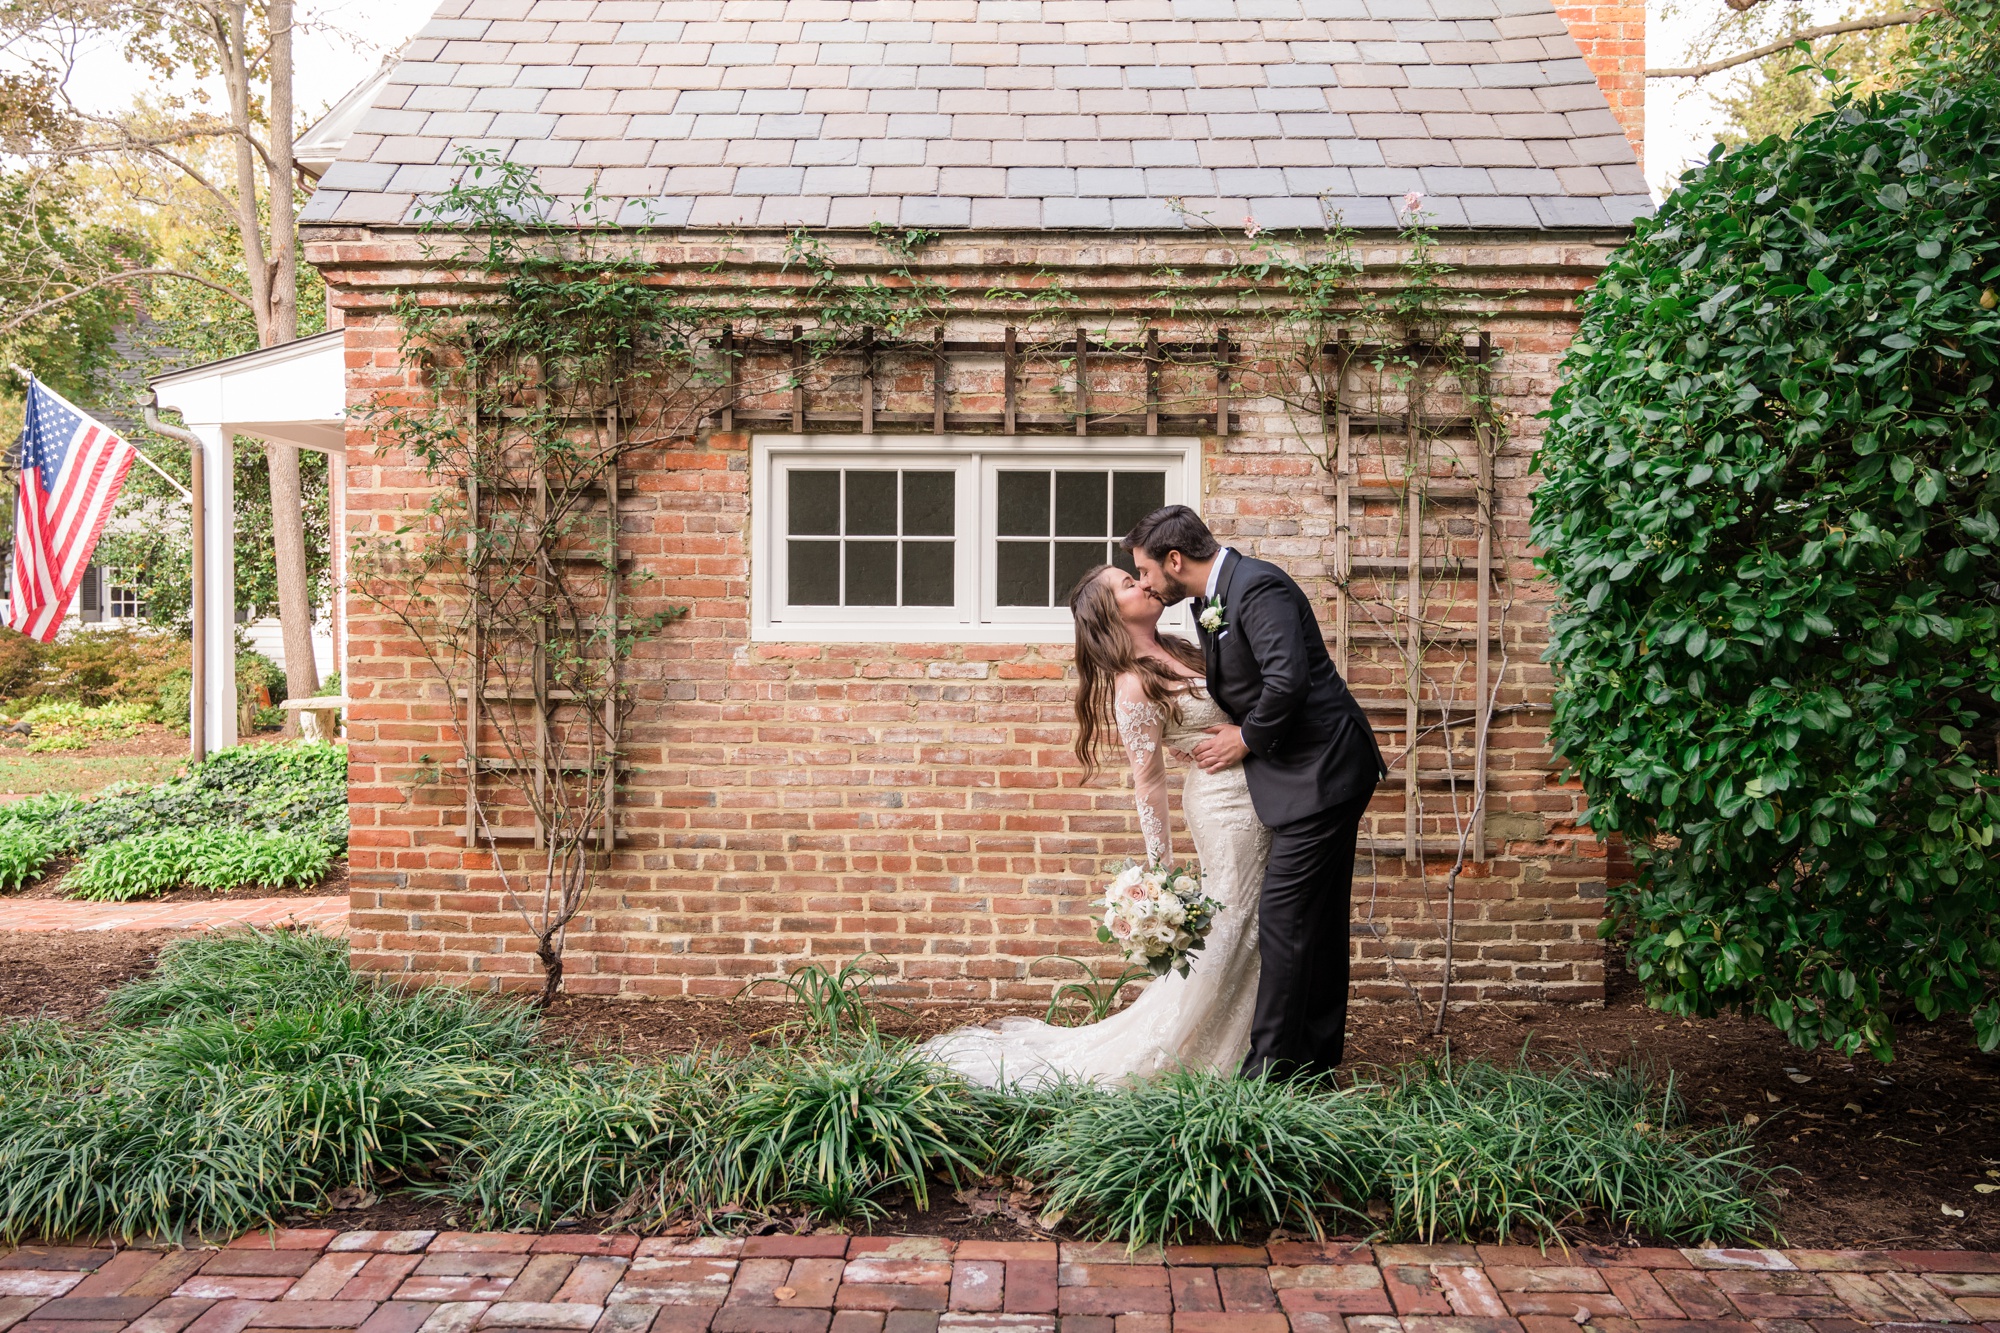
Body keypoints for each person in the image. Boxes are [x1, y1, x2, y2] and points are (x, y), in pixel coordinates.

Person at [918, 562, 1273, 1088]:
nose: (1143, 583)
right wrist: (1162, 878)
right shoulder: (1132, 685)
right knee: (1237, 922)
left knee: (1261, 922)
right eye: (1128, 584)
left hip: (1261, 792)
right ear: (1110, 611)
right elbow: (1148, 782)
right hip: (1223, 810)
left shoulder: (1184, 644)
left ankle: (1255, 1037)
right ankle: (1209, 1050)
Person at [1123, 505, 1386, 1079]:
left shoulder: (1257, 585)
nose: (1144, 583)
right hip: (1300, 774)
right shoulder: (1209, 600)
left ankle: (1268, 1075)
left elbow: (1286, 678)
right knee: (1311, 919)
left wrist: (1246, 738)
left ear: (1174, 560)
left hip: (1324, 769)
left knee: (1286, 918)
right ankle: (1313, 1063)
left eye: (1144, 570)